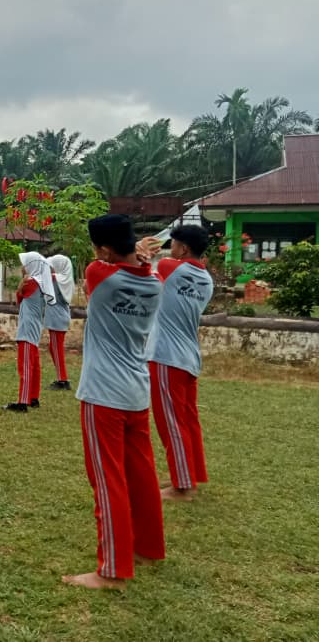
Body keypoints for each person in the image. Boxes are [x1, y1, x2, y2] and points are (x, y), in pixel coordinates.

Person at [63, 214, 165, 590]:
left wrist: (127, 252)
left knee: (108, 481)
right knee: (142, 476)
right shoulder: (155, 283)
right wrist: (137, 254)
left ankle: (112, 570)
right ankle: (148, 548)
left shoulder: (99, 276)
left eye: (96, 248)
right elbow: (138, 265)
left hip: (103, 394)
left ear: (104, 251)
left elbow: (101, 266)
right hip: (137, 393)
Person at [145, 225, 214, 502]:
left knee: (170, 422)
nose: (169, 248)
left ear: (183, 248)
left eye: (172, 244)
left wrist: (142, 251)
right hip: (188, 356)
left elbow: (142, 270)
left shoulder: (168, 267)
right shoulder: (206, 278)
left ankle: (182, 486)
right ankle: (189, 474)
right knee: (187, 420)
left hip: (166, 355)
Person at [3, 252, 55, 412]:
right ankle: (33, 397)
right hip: (35, 327)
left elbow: (19, 297)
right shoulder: (42, 283)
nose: (23, 267)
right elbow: (21, 299)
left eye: (25, 264)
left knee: (25, 366)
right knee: (34, 364)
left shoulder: (31, 282)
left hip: (26, 329)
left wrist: (20, 286)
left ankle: (23, 401)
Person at [45, 254, 75, 391]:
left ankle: (62, 380)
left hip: (57, 318)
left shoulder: (55, 279)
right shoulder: (66, 280)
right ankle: (61, 378)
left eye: (52, 266)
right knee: (54, 348)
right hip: (61, 317)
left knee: (56, 350)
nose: (50, 269)